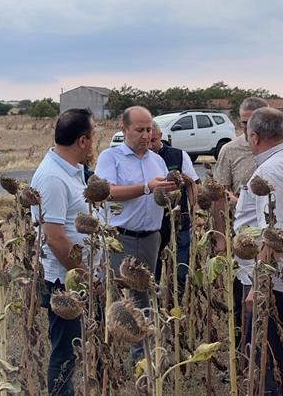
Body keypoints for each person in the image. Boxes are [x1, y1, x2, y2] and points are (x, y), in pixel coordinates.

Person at [235, 107, 283, 396]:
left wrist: (258, 285)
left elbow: (275, 233)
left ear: (253, 136)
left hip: (274, 281)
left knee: (269, 359)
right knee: (279, 352)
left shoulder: (272, 170)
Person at [94, 106, 176, 357]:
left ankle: (141, 357)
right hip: (121, 238)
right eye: (139, 129)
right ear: (124, 129)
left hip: (151, 237)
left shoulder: (157, 160)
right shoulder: (110, 158)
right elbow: (106, 192)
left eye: (149, 129)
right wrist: (146, 188)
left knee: (145, 296)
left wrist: (171, 192)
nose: (145, 135)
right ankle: (105, 353)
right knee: (114, 295)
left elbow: (161, 195)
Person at [29, 108, 100, 396]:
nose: (95, 142)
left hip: (76, 277)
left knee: (76, 349)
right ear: (82, 140)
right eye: (93, 136)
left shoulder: (70, 171)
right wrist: (85, 276)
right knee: (66, 353)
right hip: (66, 282)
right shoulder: (53, 177)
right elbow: (55, 238)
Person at [211, 97, 268, 345]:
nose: (249, 129)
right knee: (241, 301)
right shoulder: (230, 151)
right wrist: (220, 238)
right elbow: (218, 196)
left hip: (270, 238)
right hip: (241, 239)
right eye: (245, 122)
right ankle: (243, 354)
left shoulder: (281, 151)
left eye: (254, 122)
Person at [148, 120, 199, 289]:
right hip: (154, 225)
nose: (150, 145)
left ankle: (178, 299)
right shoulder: (141, 159)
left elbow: (192, 184)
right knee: (152, 270)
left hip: (180, 222)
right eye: (147, 140)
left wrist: (195, 212)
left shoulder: (178, 155)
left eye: (153, 140)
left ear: (161, 137)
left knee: (180, 269)